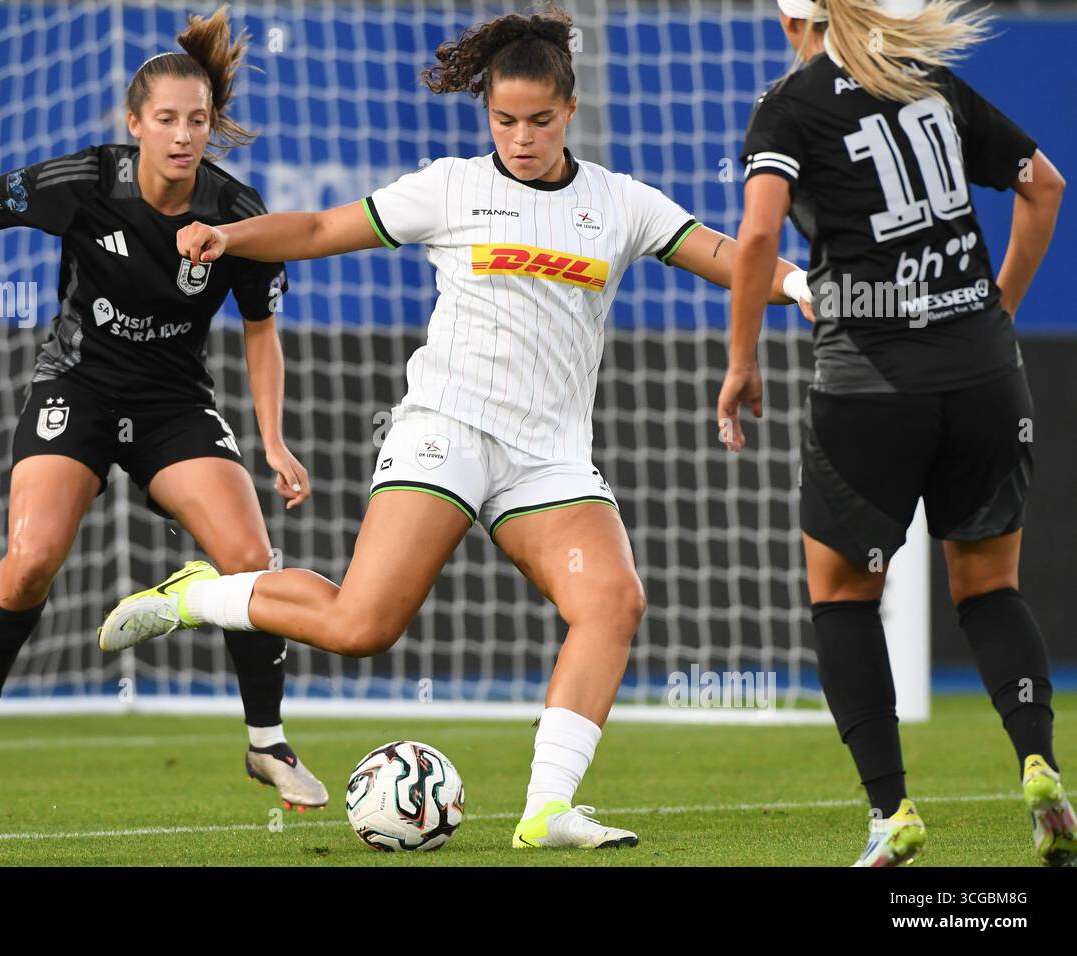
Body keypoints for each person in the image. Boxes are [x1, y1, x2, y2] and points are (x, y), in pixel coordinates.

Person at [99, 4, 811, 849]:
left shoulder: (620, 204)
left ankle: (547, 809)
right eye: (504, 119)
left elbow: (734, 259)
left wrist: (802, 285)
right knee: (363, 626)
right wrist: (231, 234)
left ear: (569, 111)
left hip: (548, 455)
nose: (521, 137)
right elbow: (324, 227)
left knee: (614, 600)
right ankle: (198, 595)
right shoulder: (451, 187)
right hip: (448, 427)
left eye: (540, 120)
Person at [0, 8, 330, 815]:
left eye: (197, 120)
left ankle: (266, 743)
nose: (184, 134)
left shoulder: (236, 213)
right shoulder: (88, 181)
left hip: (172, 402)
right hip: (76, 387)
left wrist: (272, 439)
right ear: (136, 124)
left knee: (249, 557)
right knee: (28, 563)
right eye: (166, 119)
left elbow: (260, 331)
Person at [719, 0, 1072, 865]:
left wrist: (741, 360)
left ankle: (893, 812)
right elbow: (1045, 185)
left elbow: (760, 232)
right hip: (987, 376)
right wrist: (998, 312)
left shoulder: (788, 104)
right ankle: (1041, 769)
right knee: (990, 589)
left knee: (842, 597)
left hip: (871, 385)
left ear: (787, 18)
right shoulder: (931, 83)